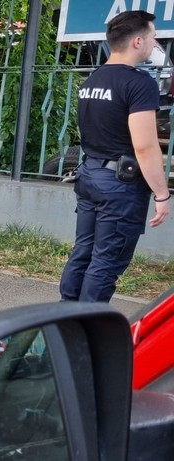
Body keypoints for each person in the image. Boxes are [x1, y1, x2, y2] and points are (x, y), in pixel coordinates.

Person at [60, 10, 170, 303]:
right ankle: (86, 331)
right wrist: (162, 193)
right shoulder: (139, 83)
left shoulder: (94, 79)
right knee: (105, 262)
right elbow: (145, 147)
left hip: (90, 176)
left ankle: (64, 318)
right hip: (120, 186)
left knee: (83, 252)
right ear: (137, 41)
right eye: (152, 35)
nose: (155, 41)